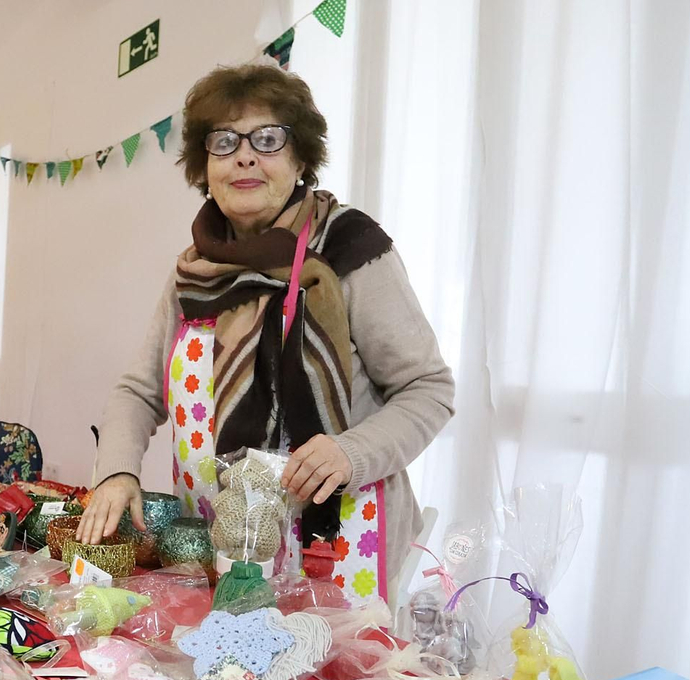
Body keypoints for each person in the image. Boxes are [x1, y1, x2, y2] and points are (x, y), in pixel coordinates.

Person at [78, 64, 454, 599]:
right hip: (218, 544)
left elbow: (429, 389)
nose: (245, 156)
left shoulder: (351, 249)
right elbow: (138, 391)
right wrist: (117, 472)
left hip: (339, 543)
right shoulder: (194, 271)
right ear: (205, 166)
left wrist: (350, 452)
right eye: (225, 141)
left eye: (268, 139)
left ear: (300, 159)